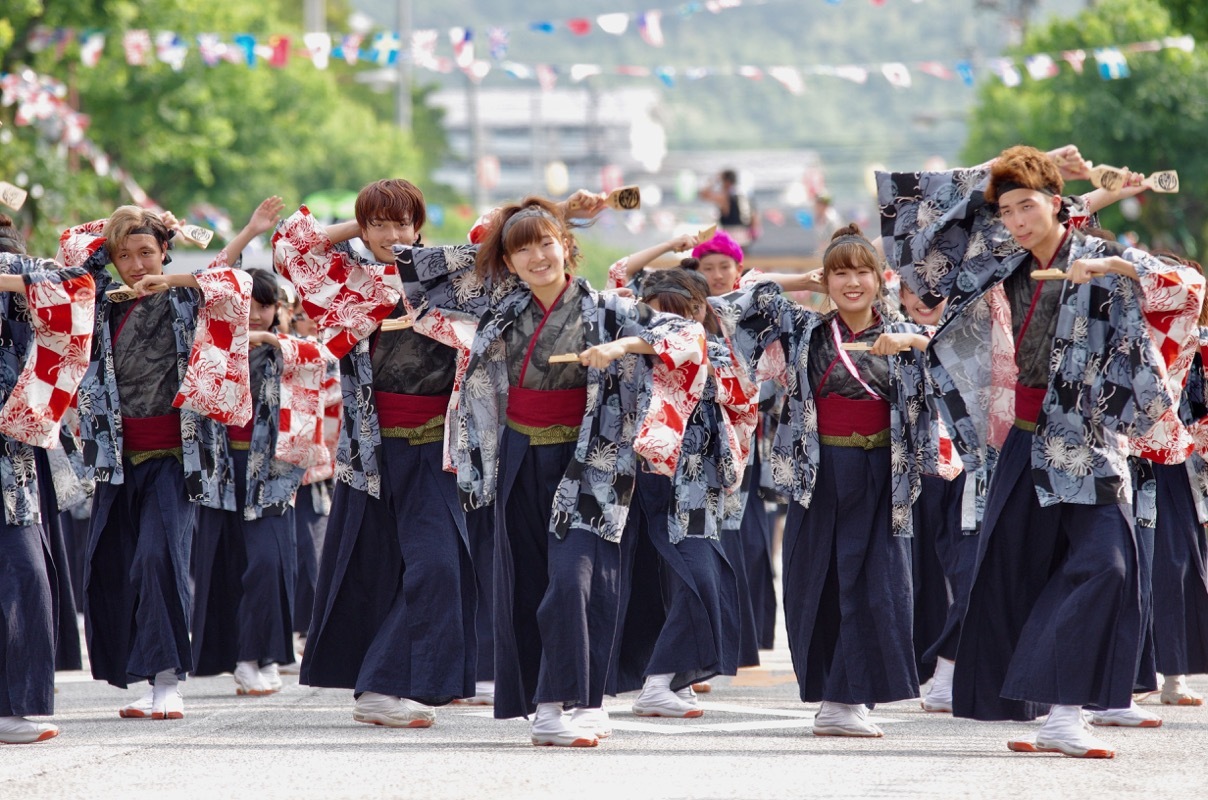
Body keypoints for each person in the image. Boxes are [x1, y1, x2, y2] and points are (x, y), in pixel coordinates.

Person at [877, 146, 1204, 758]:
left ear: (1060, 206)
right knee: (1011, 574)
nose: (1018, 220)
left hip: (1087, 446)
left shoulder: (1101, 256)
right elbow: (923, 232)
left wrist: (1119, 271)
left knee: (1108, 566)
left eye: (1028, 206)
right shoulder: (999, 259)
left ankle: (1066, 712)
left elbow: (1190, 286)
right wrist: (1015, 163)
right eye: (1006, 210)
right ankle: (1056, 714)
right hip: (1022, 443)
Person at [398, 196, 707, 747]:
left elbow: (687, 338)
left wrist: (625, 346)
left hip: (588, 462)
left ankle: (570, 699)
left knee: (575, 580)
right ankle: (549, 707)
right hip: (515, 457)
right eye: (522, 249)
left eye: (547, 242)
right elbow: (419, 280)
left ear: (566, 247)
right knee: (528, 582)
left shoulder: (608, 308)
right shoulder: (496, 307)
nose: (538, 256)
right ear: (507, 261)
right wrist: (521, 224)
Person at [719, 224, 937, 737]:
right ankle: (834, 699)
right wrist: (804, 278)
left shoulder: (905, 333)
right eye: (841, 273)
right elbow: (737, 299)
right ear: (827, 280)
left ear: (881, 278)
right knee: (816, 581)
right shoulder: (804, 328)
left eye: (862, 271)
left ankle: (850, 697)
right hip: (819, 474)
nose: (852, 283)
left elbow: (957, 359)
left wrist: (911, 340)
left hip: (884, 475)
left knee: (879, 585)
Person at [274, 179, 476, 729]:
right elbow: (290, 247)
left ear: (420, 225)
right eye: (379, 225)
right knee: (374, 564)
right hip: (372, 449)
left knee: (438, 566)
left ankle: (387, 682)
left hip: (440, 447)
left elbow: (507, 246)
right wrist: (360, 226)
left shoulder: (449, 276)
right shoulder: (348, 279)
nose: (391, 235)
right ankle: (380, 688)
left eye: (401, 223)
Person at [64, 204, 258, 721]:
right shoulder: (99, 300)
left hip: (177, 457)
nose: (135, 264)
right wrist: (132, 216)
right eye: (123, 255)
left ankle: (168, 680)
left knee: (159, 556)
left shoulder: (186, 297)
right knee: (117, 565)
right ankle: (146, 675)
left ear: (165, 250)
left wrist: (169, 273)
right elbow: (68, 249)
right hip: (116, 459)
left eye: (146, 251)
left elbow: (233, 282)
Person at [191, 235, 335, 698]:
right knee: (225, 562)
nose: (255, 313)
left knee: (270, 563)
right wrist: (249, 231)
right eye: (247, 304)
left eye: (265, 305)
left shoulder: (291, 350)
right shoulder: (209, 346)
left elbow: (323, 357)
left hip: (272, 472)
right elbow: (205, 280)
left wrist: (270, 338)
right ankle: (237, 656)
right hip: (219, 468)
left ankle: (260, 655)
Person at [615, 268, 756, 718]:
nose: (671, 322)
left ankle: (671, 676)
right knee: (689, 572)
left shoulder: (708, 350)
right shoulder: (632, 350)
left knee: (689, 573)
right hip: (657, 474)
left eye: (683, 312)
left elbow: (744, 398)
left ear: (700, 310)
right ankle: (660, 679)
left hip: (694, 477)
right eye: (659, 311)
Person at [0, 214, 96, 744]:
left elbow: (82, 279)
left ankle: (13, 709)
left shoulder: (20, 277)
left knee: (25, 573)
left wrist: (11, 280)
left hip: (9, 457)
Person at [699, 169, 756, 247]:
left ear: (726, 182)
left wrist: (714, 180)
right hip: (744, 234)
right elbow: (754, 214)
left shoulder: (724, 197)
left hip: (730, 234)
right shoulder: (743, 195)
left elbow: (703, 195)